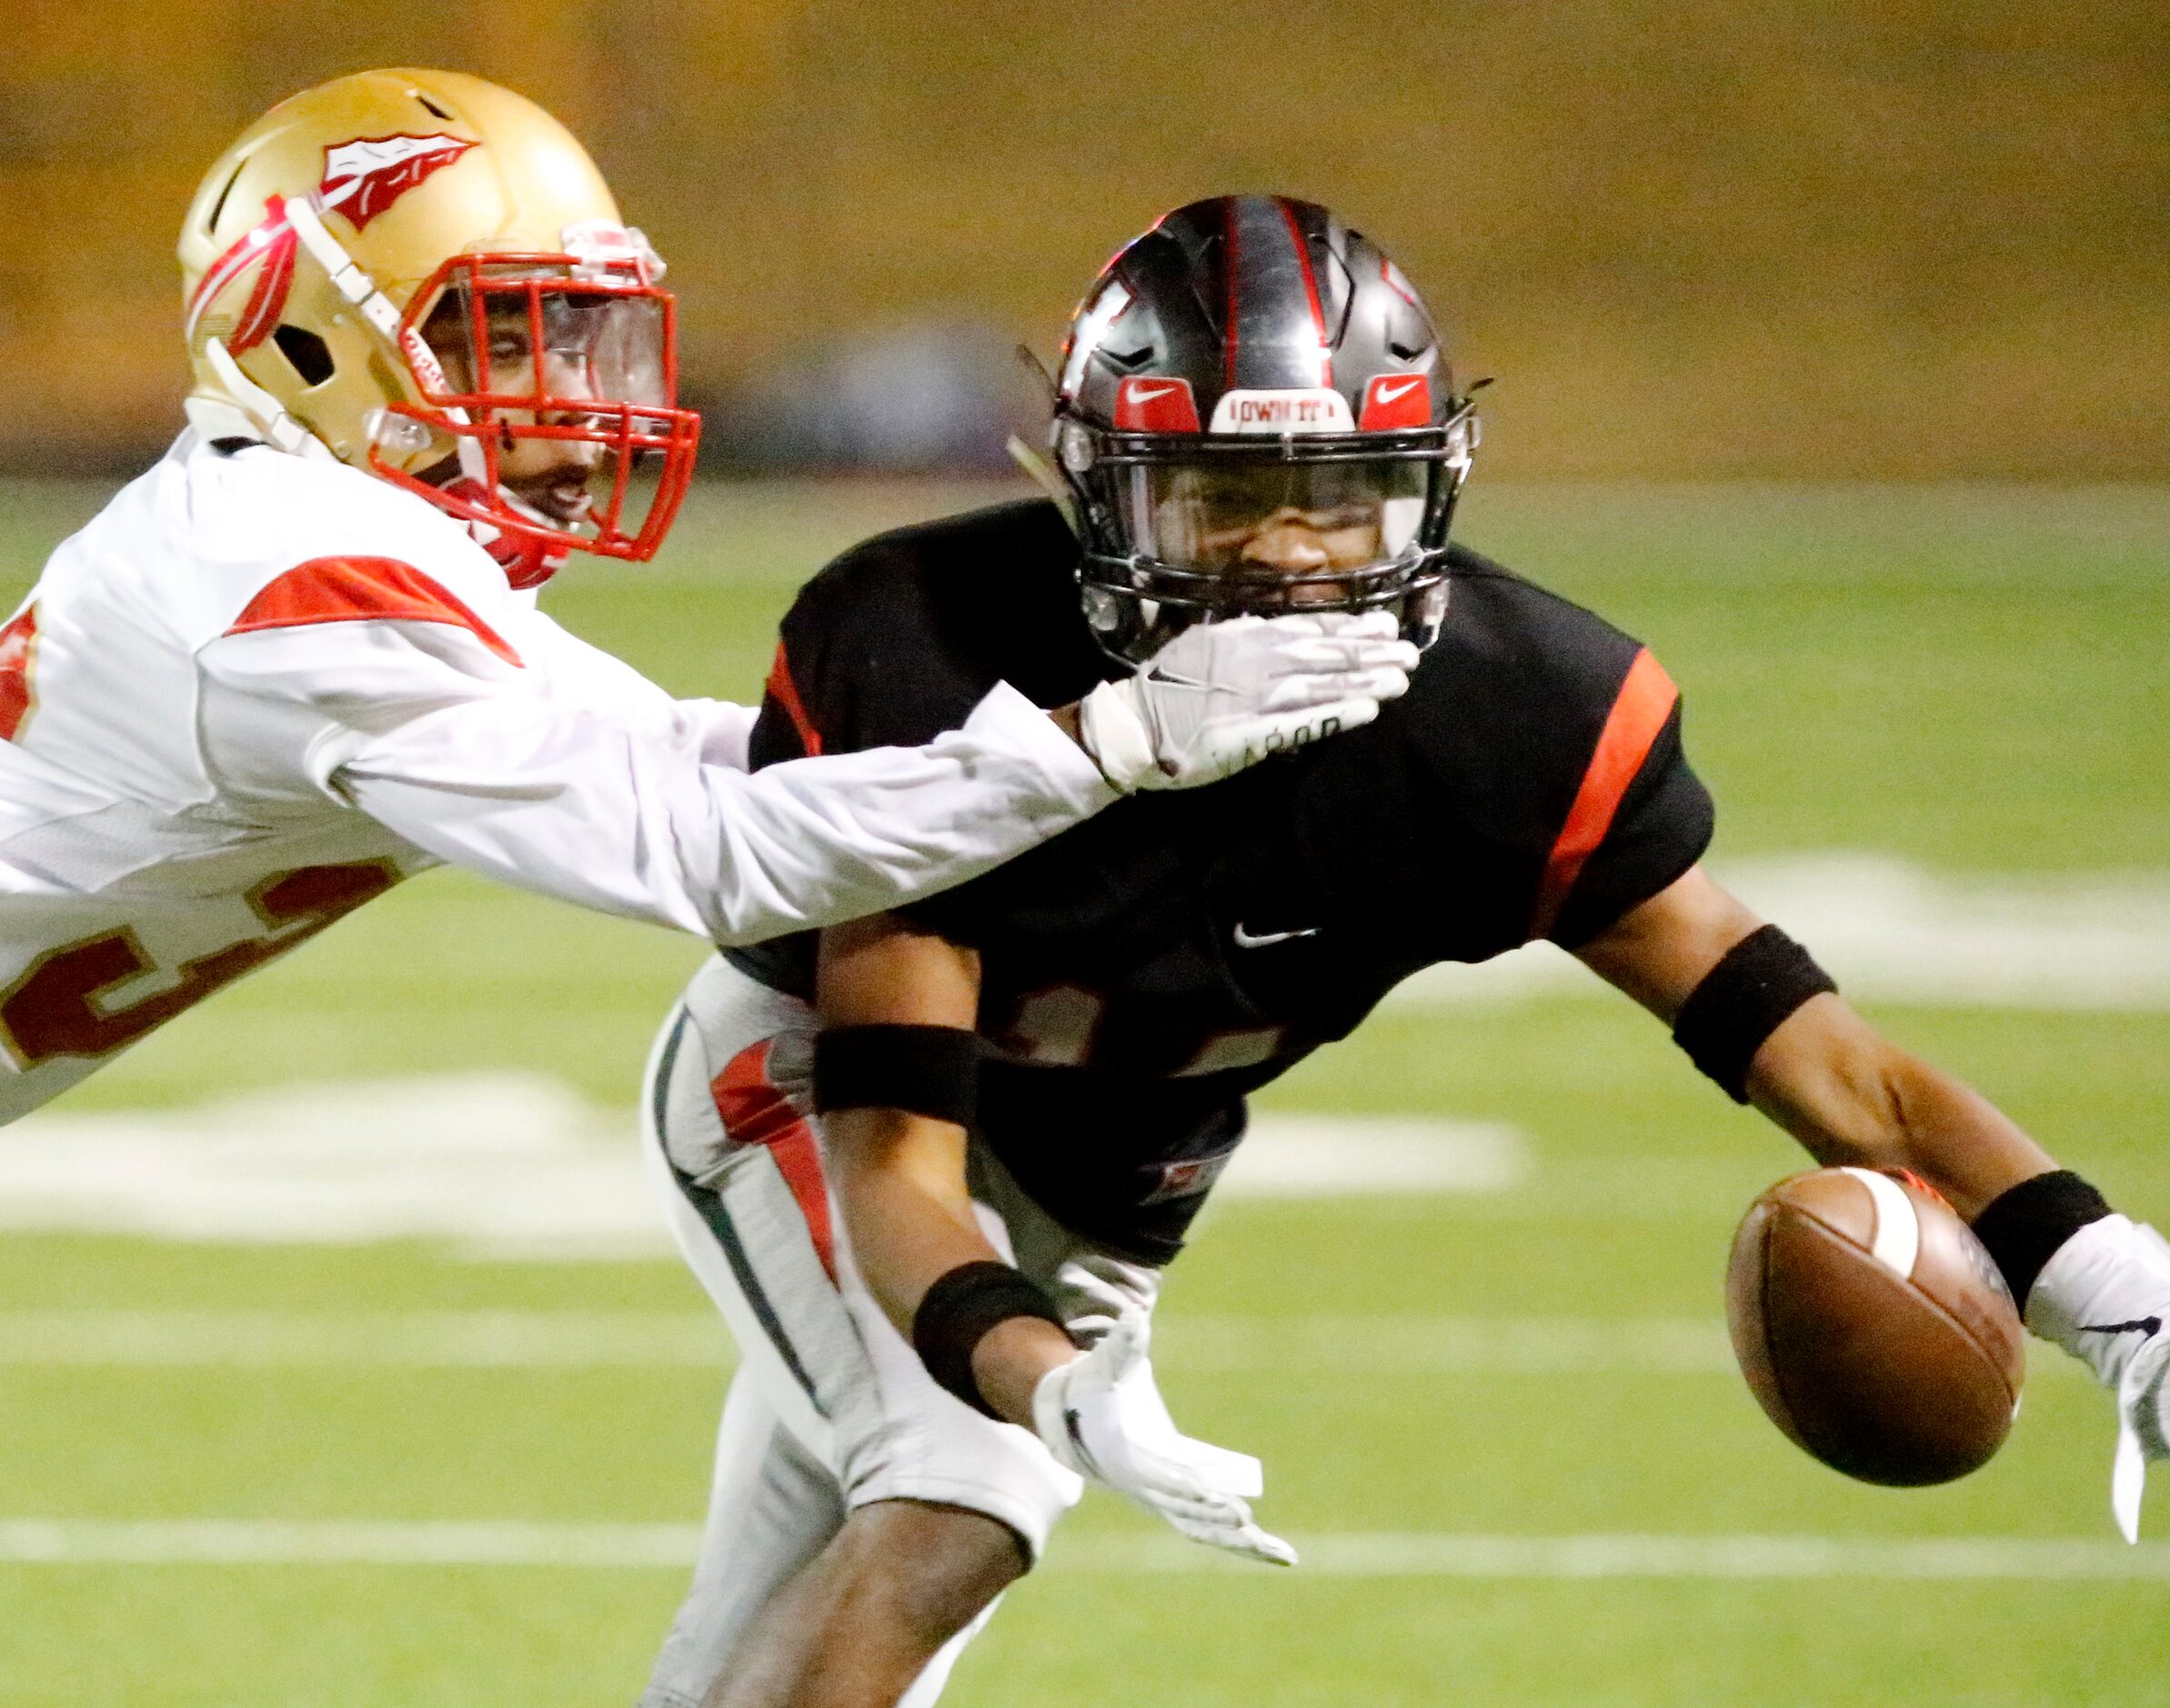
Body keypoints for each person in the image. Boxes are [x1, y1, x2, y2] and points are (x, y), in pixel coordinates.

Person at [638, 196, 2170, 1708]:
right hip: (810, 1093)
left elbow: (1834, 1066)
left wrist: (2106, 1281)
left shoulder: (1514, 720)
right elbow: (897, 1162)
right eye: (1220, 501)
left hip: (1112, 1179)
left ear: (1427, 491)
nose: (1288, 556)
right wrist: (1038, 1377)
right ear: (1100, 500)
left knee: (781, 1619)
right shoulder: (932, 650)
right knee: (961, 1494)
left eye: (1337, 493)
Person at [0, 82, 1412, 1122]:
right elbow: (721, 853)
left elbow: (722, 771)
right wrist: (1106, 740)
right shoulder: (291, 577)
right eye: (497, 335)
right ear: (301, 337)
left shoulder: (298, 534)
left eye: (574, 333)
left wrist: (1077, 753)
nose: (564, 403)